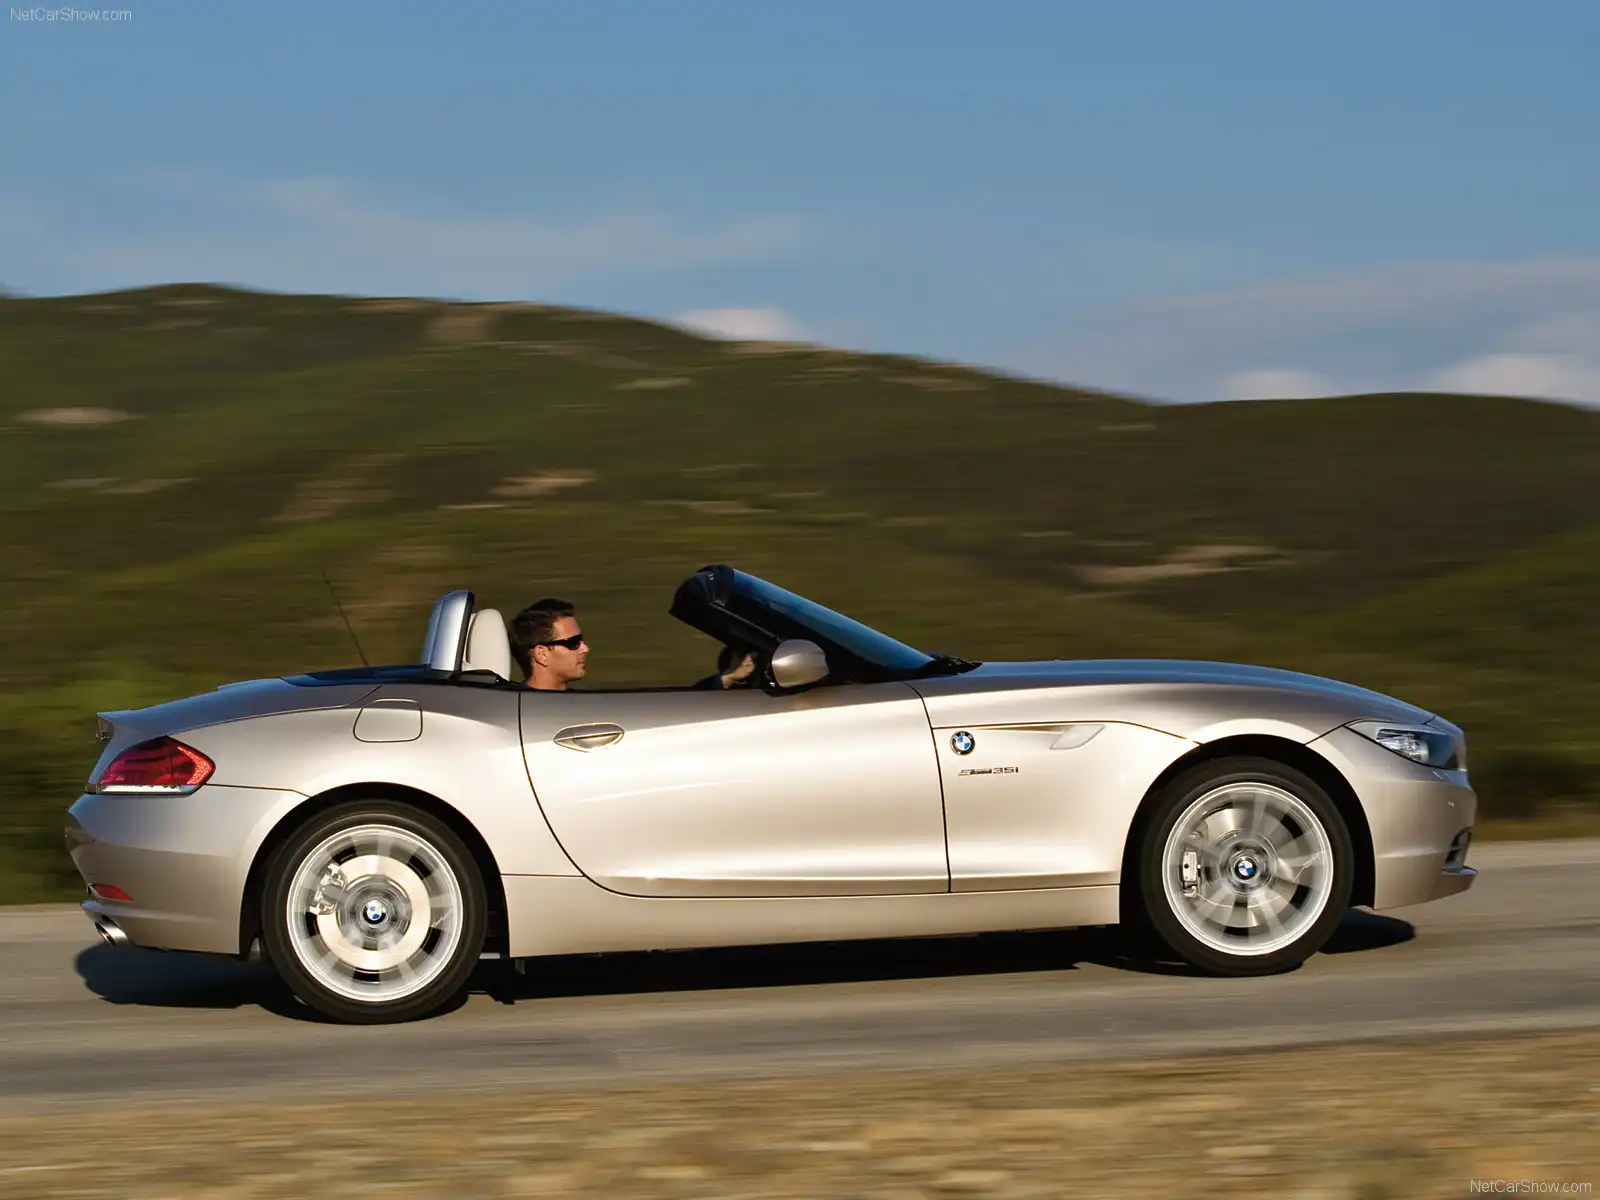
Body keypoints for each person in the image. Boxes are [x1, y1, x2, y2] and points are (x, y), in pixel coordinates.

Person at [508, 598, 757, 691]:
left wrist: (726, 679)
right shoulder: (533, 715)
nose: (585, 648)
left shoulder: (565, 704)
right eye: (573, 643)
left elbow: (661, 707)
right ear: (541, 654)